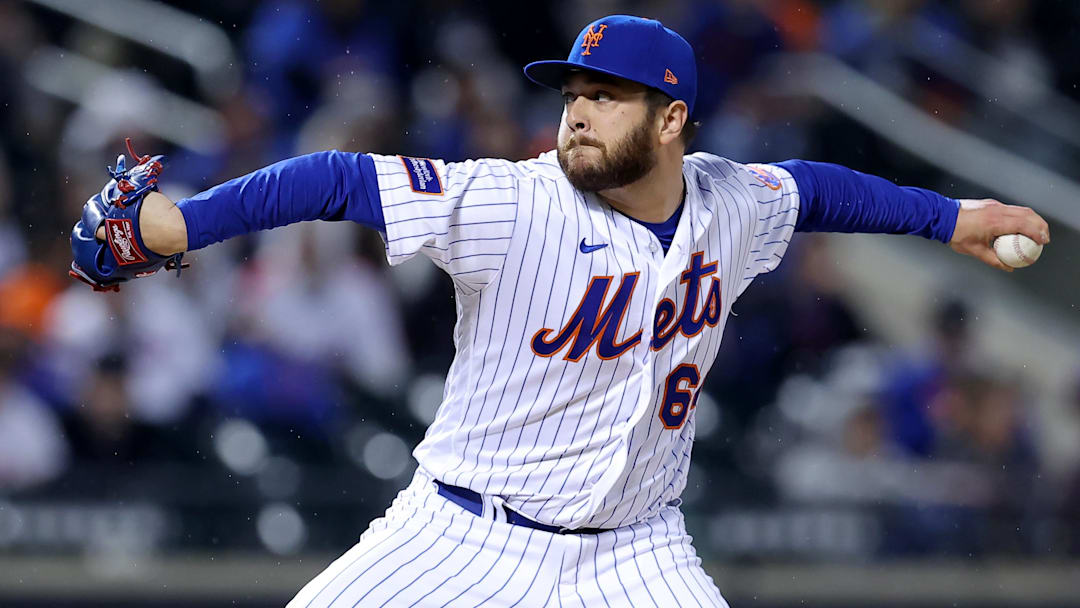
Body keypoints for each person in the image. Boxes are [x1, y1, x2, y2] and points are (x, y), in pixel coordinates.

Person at [71, 15, 1049, 607]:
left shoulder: (728, 203)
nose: (576, 111)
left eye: (608, 96)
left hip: (635, 554)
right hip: (458, 535)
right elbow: (337, 176)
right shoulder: (514, 200)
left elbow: (818, 188)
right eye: (572, 93)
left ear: (672, 121)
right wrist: (178, 223)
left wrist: (951, 214)